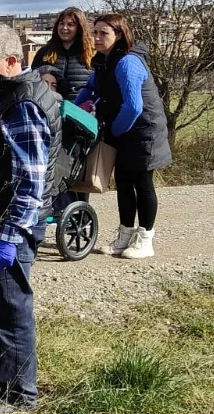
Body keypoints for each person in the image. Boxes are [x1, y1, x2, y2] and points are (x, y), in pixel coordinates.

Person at [0, 25, 60, 414]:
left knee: (10, 306)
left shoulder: (22, 103)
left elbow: (30, 180)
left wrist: (11, 235)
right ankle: (2, 387)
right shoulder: (8, 95)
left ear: (11, 61)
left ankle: (20, 397)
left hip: (8, 227)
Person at [74, 13, 172, 259]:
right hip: (123, 128)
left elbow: (134, 107)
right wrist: (72, 111)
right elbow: (90, 89)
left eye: (103, 33)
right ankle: (125, 236)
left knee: (142, 183)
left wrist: (115, 130)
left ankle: (146, 239)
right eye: (94, 33)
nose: (96, 38)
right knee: (124, 184)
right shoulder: (103, 61)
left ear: (118, 35)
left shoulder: (128, 62)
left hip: (143, 130)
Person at [30, 7, 97, 101]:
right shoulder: (45, 53)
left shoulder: (92, 54)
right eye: (61, 23)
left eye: (70, 24)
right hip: (51, 109)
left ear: (79, 28)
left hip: (81, 110)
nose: (64, 28)